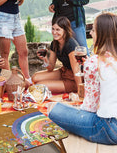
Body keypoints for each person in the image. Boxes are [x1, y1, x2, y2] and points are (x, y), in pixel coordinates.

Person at [48, 12, 117, 145]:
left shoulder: (94, 62)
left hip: (107, 129)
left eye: (93, 30)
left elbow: (89, 106)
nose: (91, 33)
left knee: (52, 108)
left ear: (102, 34)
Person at [31, 16, 81, 93]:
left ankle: (70, 86)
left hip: (74, 78)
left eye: (58, 30)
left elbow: (76, 70)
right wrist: (45, 59)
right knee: (35, 77)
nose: (54, 32)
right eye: (53, 29)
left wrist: (80, 90)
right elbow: (50, 67)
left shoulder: (70, 44)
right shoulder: (54, 43)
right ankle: (58, 83)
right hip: (64, 72)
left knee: (40, 85)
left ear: (65, 30)